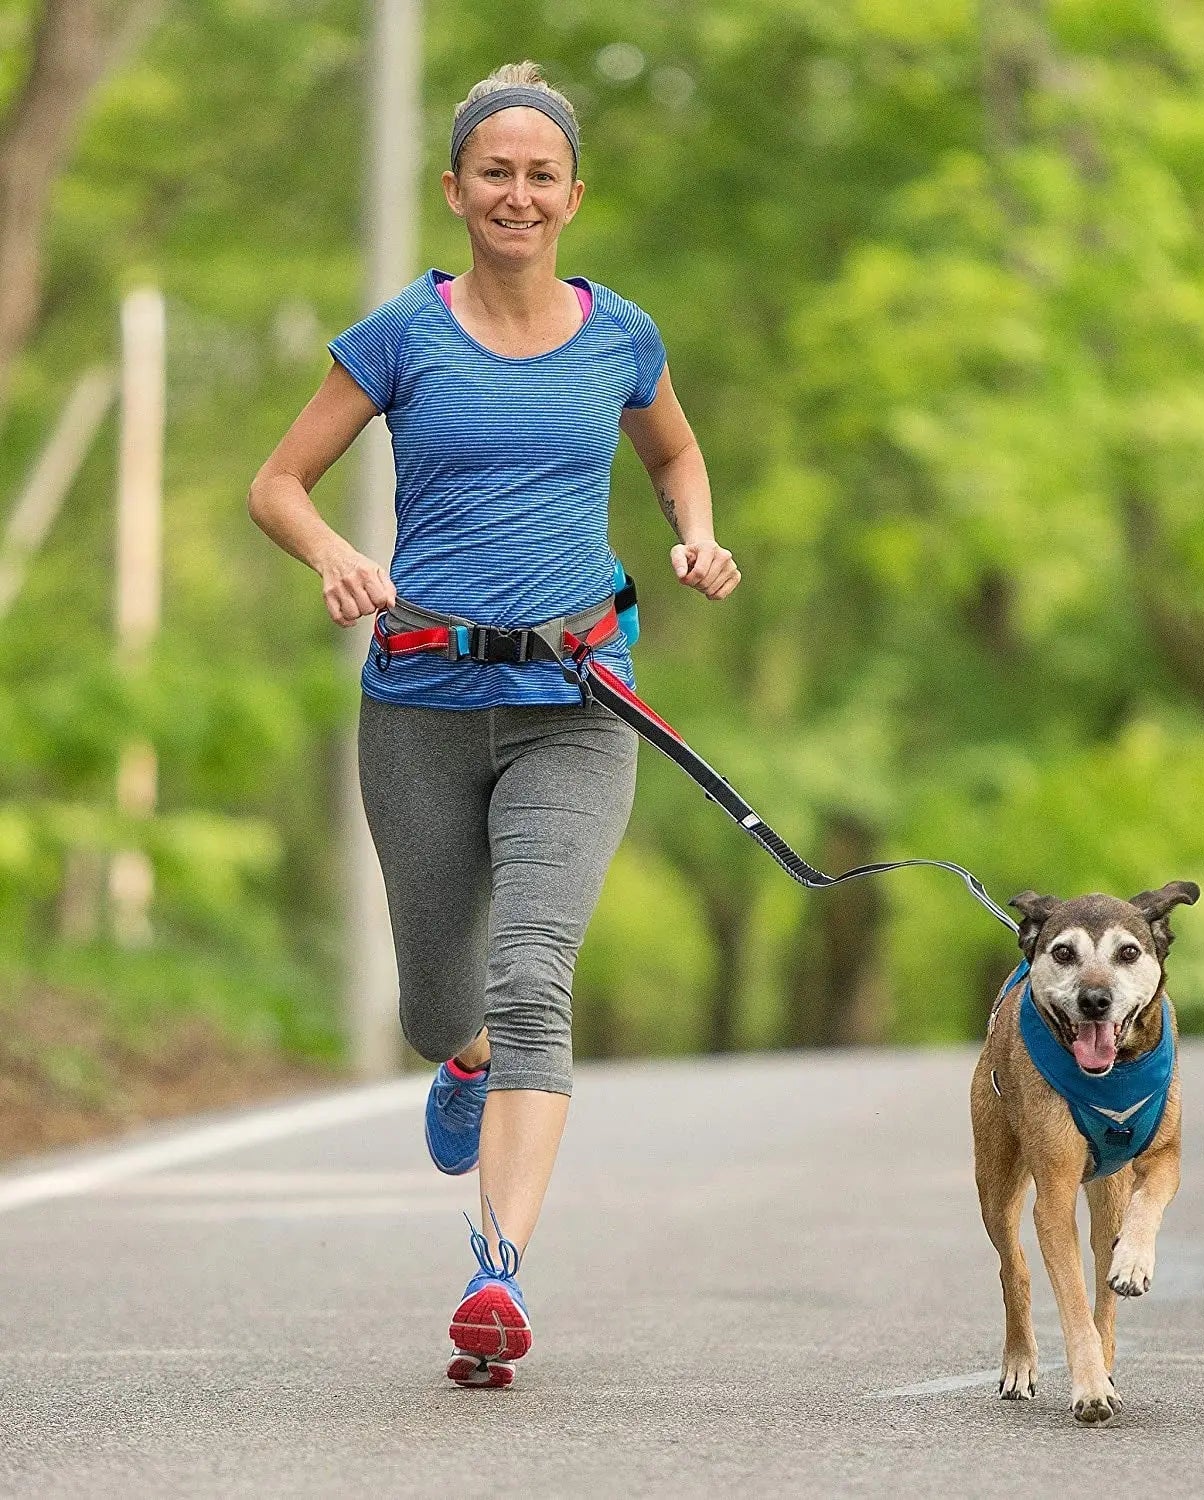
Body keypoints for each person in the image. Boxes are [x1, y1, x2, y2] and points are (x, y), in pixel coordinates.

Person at [248, 60, 739, 1387]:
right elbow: (279, 481)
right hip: (420, 702)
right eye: (494, 172)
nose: (518, 194)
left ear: (574, 193)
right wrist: (336, 558)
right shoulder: (402, 336)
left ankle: (496, 1274)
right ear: (456, 189)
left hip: (578, 704)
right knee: (436, 1003)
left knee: (533, 980)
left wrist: (694, 534)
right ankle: (458, 1058)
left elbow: (675, 452)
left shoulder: (623, 335)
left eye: (542, 174)